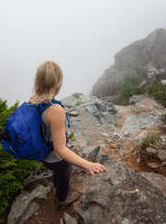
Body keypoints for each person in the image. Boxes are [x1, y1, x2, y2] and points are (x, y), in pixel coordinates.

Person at [28, 61, 107, 210]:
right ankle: (61, 199)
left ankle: (56, 186)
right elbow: (60, 149)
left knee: (57, 174)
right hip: (57, 158)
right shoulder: (55, 110)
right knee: (65, 177)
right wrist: (87, 164)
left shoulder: (32, 102)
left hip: (43, 155)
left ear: (38, 80)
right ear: (58, 82)